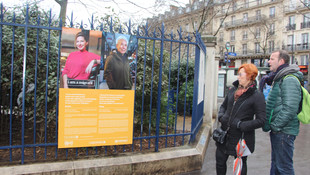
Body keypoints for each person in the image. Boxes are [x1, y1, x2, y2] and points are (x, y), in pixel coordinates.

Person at [216, 63, 266, 175]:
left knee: (240, 165)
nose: (238, 77)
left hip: (241, 138)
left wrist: (241, 125)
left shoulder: (257, 96)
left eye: (240, 75)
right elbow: (223, 106)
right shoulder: (233, 90)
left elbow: (261, 120)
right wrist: (221, 116)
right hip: (224, 134)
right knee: (220, 162)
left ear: (250, 76)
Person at [262, 50, 302, 175]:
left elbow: (290, 108)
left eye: (272, 59)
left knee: (284, 168)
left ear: (281, 61)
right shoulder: (279, 78)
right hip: (280, 131)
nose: (269, 61)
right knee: (277, 166)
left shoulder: (289, 79)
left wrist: (276, 126)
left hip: (284, 131)